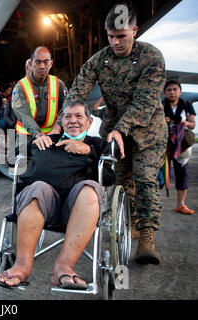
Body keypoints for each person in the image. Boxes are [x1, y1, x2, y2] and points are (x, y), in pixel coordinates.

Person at [62, 4, 167, 264]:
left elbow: (145, 102)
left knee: (144, 179)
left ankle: (146, 237)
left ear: (134, 30)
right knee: (118, 182)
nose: (115, 42)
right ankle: (128, 224)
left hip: (147, 132)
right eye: (110, 36)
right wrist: (65, 120)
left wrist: (121, 128)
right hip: (114, 132)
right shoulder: (100, 60)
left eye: (121, 36)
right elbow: (77, 91)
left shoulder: (152, 58)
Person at [0, 101, 115, 290]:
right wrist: (34, 140)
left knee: (90, 188)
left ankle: (63, 267)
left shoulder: (97, 145)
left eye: (78, 116)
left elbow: (108, 178)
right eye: (67, 117)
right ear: (62, 122)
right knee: (38, 187)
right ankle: (21, 267)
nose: (73, 121)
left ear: (89, 122)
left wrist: (89, 152)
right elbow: (14, 156)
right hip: (42, 203)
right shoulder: (50, 139)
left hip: (78, 209)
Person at [11, 46, 67, 149]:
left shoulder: (58, 85)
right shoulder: (20, 87)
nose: (42, 66)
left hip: (52, 137)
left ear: (51, 63)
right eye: (37, 62)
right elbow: (24, 116)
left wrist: (58, 126)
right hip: (26, 138)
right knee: (23, 164)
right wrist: (38, 134)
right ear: (31, 63)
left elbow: (66, 108)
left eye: (46, 62)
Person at [163, 79, 196, 214]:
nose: (172, 92)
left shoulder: (187, 105)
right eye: (169, 90)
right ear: (164, 93)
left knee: (182, 174)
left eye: (175, 89)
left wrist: (184, 123)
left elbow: (192, 124)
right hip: (164, 144)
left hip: (181, 145)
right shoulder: (160, 106)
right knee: (160, 175)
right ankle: (155, 205)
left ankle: (181, 204)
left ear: (180, 91)